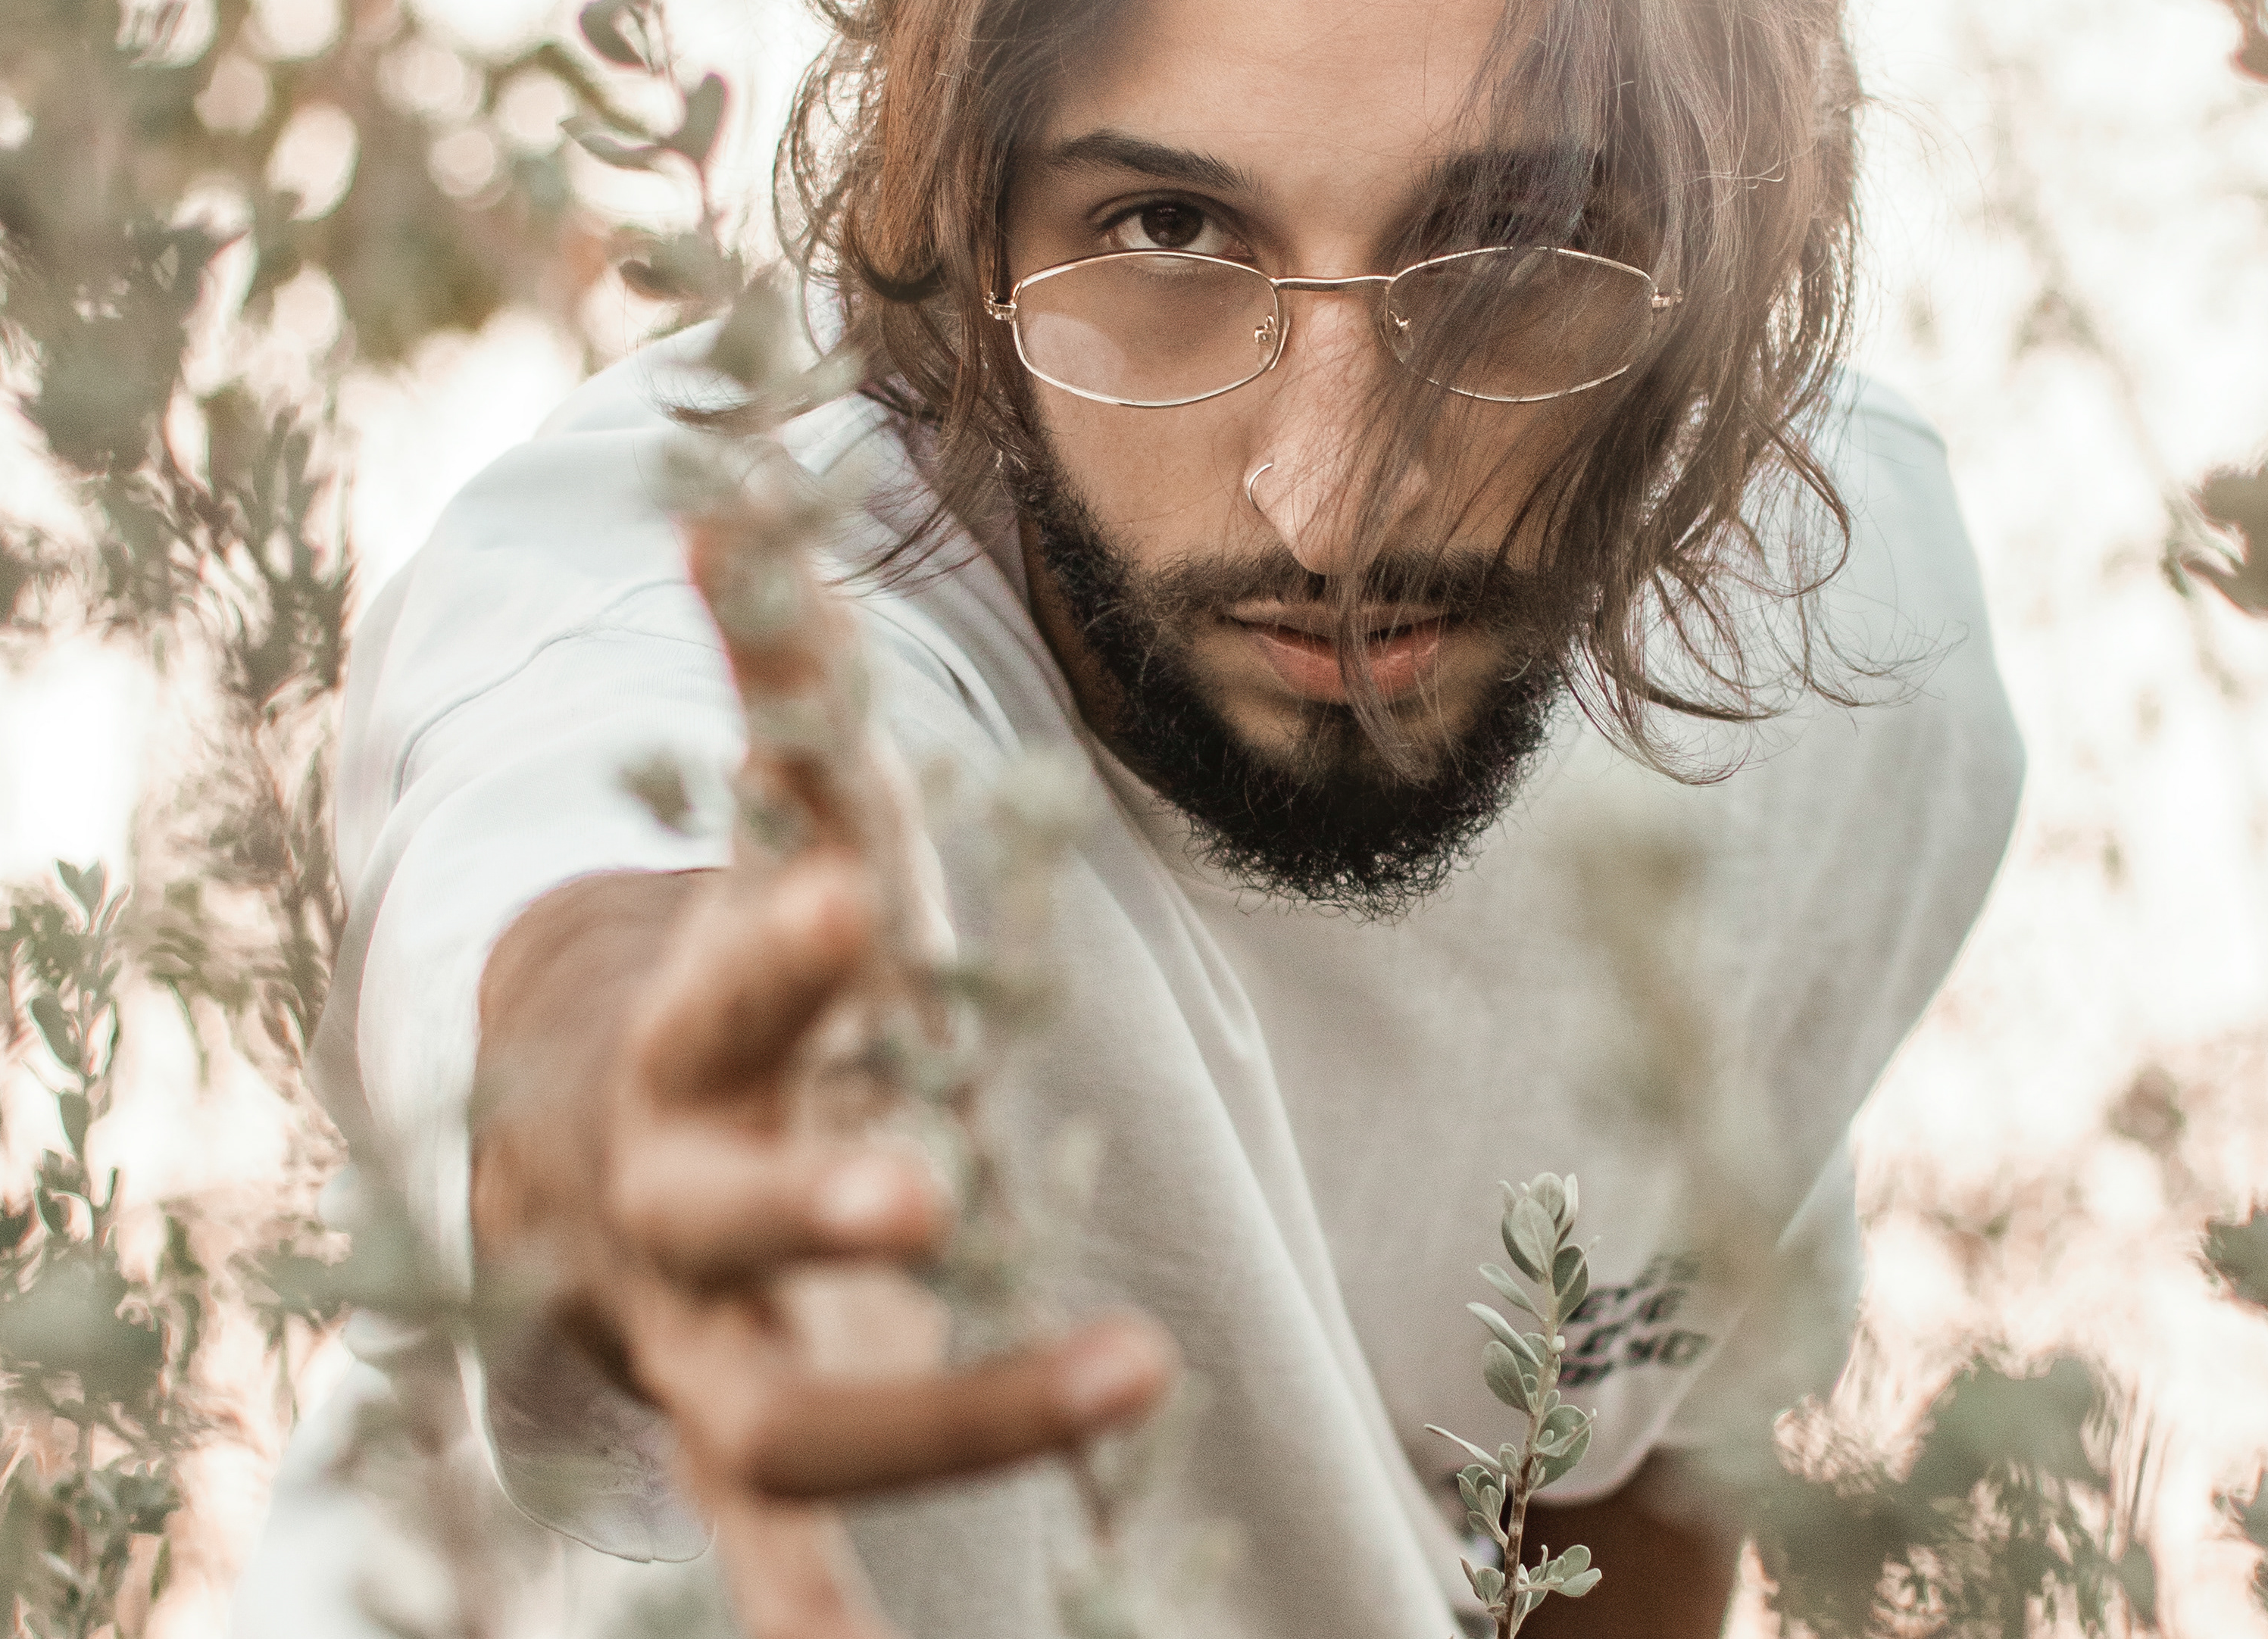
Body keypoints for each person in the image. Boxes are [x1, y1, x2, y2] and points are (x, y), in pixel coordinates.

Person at [239, 1, 2023, 1636]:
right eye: (1170, 230)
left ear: (1719, 267)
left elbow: (1625, 1465)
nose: (1330, 507)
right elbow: (573, 858)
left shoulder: (1847, 637)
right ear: (972, 236)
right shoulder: (723, 594)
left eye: (1515, 243)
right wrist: (625, 1114)